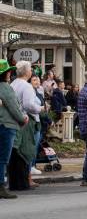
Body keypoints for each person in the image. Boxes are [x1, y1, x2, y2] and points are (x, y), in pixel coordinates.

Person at [10, 61, 42, 186]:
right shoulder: (27, 86)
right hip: (27, 121)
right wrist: (41, 108)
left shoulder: (12, 84)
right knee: (28, 150)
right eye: (30, 70)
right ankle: (26, 179)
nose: (31, 72)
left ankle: (22, 178)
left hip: (15, 120)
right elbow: (29, 105)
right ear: (27, 72)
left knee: (17, 151)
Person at [0, 60, 27, 199]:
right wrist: (22, 119)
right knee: (3, 158)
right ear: (6, 73)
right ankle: (1, 187)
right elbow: (13, 107)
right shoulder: (5, 87)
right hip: (6, 125)